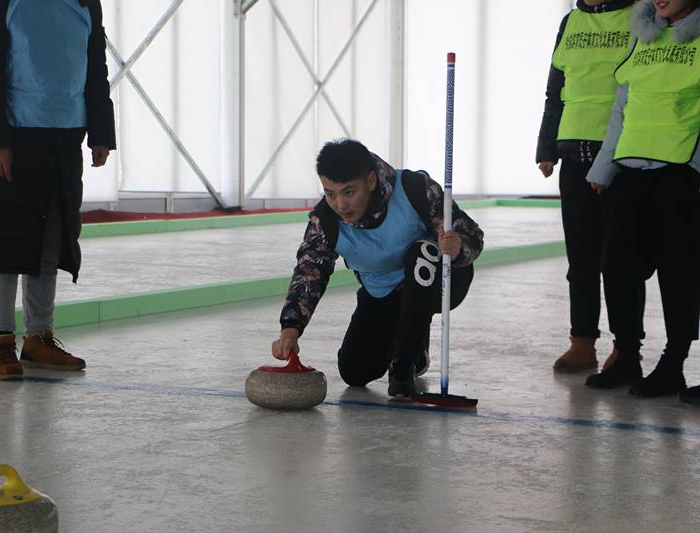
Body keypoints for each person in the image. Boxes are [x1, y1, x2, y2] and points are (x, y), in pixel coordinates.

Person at [0, 0, 116, 379]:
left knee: (52, 237)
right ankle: (0, 341)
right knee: (5, 238)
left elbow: (95, 64)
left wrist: (101, 131)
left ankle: (38, 338)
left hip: (67, 132)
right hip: (14, 136)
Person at [271, 140, 484, 398]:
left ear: (371, 180)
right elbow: (308, 274)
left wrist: (459, 244)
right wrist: (290, 329)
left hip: (441, 280)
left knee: (421, 253)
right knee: (354, 371)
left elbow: (471, 234)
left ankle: (405, 361)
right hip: (384, 292)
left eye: (349, 192)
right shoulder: (325, 221)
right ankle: (413, 346)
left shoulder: (416, 189)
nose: (340, 205)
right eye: (330, 193)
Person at [585, 0, 700, 401]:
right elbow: (623, 105)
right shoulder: (644, 36)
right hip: (633, 168)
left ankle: (673, 363)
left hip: (683, 170)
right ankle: (628, 355)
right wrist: (604, 168)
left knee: (679, 273)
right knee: (616, 266)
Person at [536, 0, 646, 373]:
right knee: (580, 259)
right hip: (573, 152)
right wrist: (546, 147)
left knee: (621, 259)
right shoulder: (571, 22)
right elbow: (555, 89)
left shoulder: (641, 15)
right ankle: (582, 342)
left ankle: (626, 347)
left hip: (622, 153)